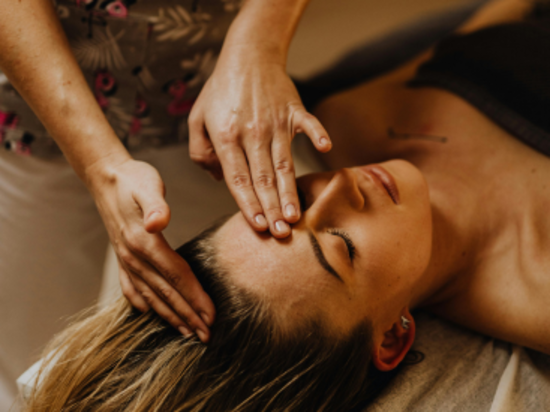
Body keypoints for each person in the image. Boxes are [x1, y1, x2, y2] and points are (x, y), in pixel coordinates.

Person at [21, 0, 550, 409]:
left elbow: (482, 27)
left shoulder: (345, 122)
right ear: (391, 335)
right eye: (341, 247)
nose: (339, 187)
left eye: (293, 201)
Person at [0, 0, 331, 407]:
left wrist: (259, 41)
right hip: (32, 98)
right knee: (27, 353)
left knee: (221, 335)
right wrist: (101, 166)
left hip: (208, 100)